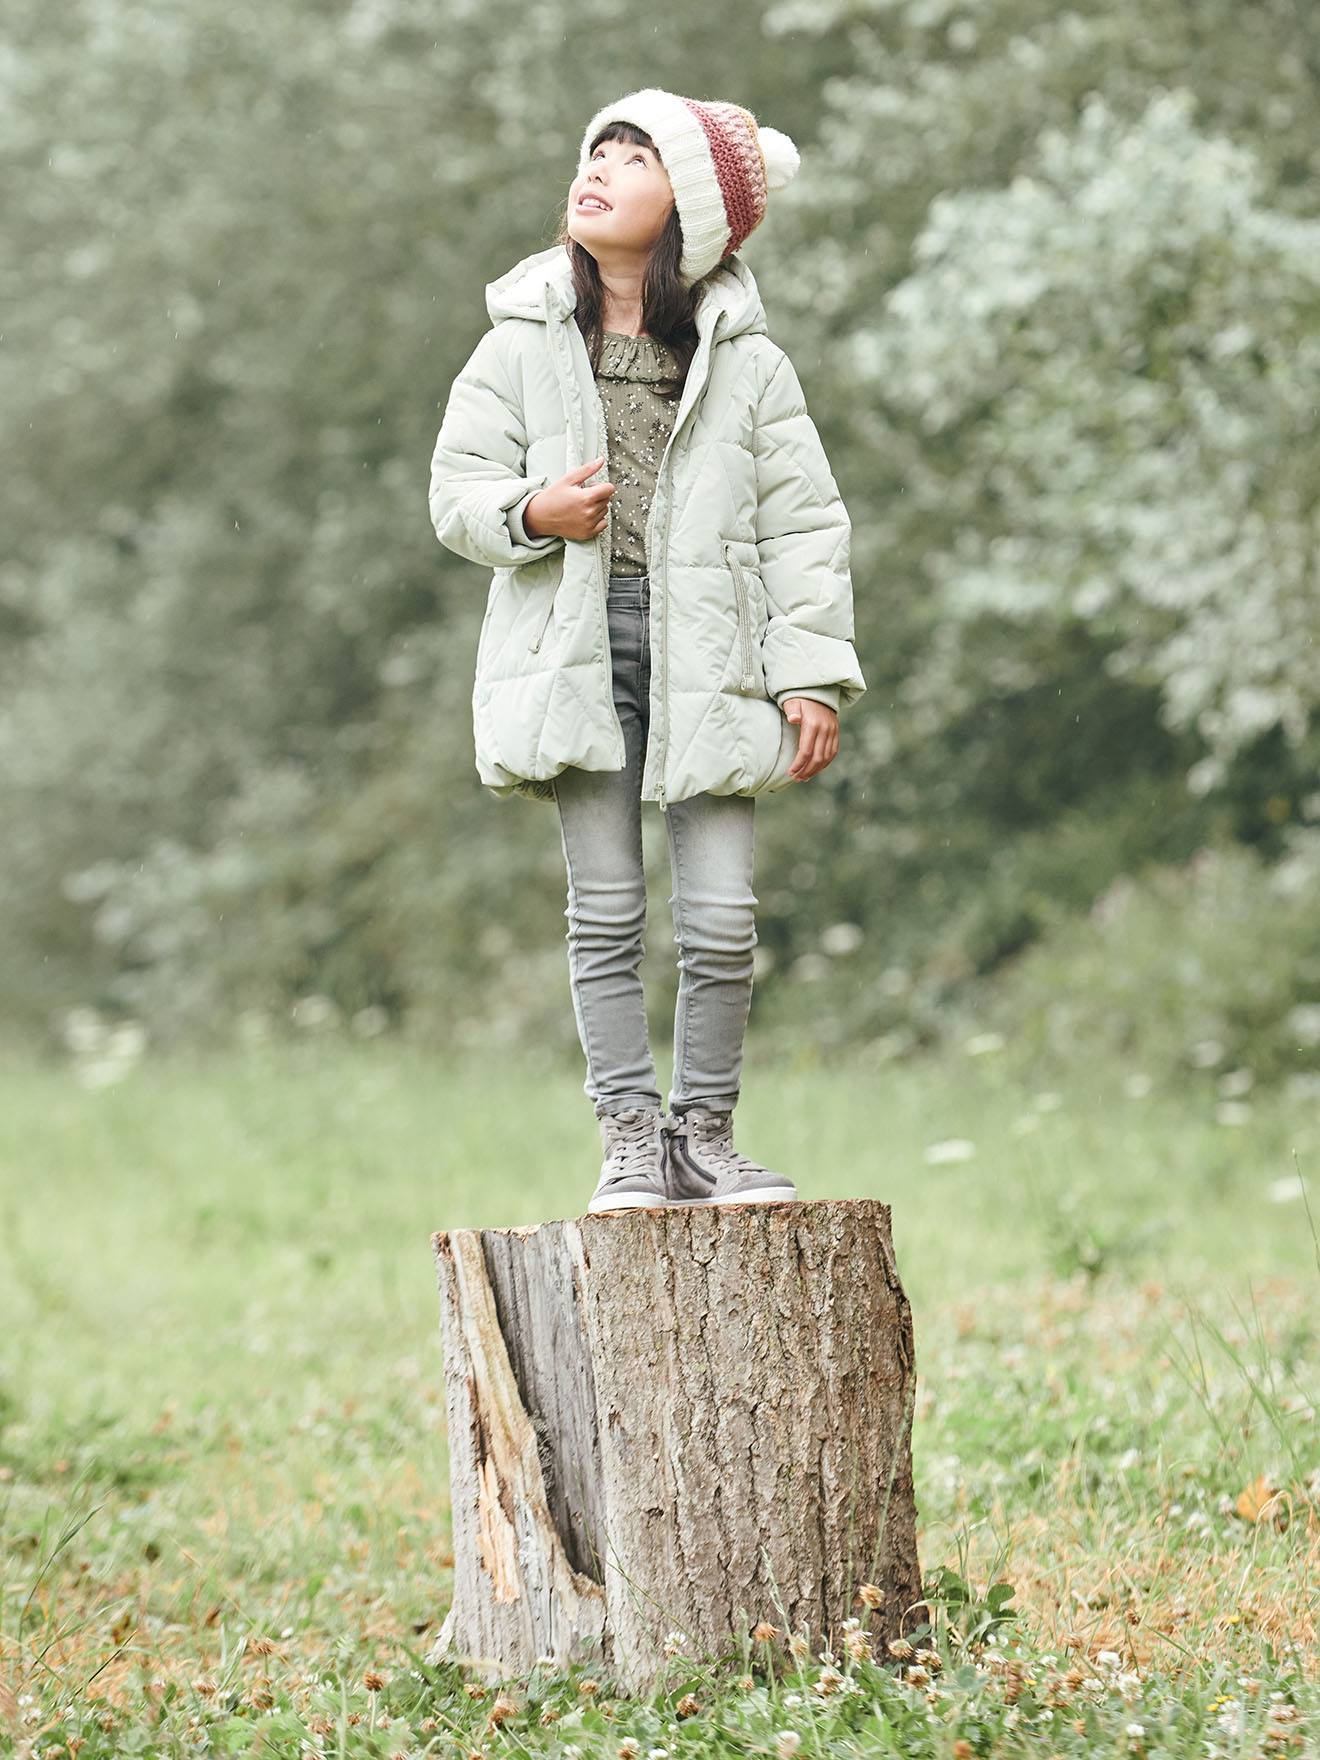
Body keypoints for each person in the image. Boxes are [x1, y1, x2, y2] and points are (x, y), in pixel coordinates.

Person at [428, 89, 866, 1218]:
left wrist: (808, 668)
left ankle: (705, 1137)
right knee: (607, 909)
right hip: (575, 650)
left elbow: (805, 521)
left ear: (696, 211)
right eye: (595, 151)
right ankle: (629, 1142)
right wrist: (535, 513)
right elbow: (456, 494)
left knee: (721, 913)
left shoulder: (750, 362)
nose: (599, 169)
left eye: (634, 158)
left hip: (713, 659)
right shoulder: (520, 340)